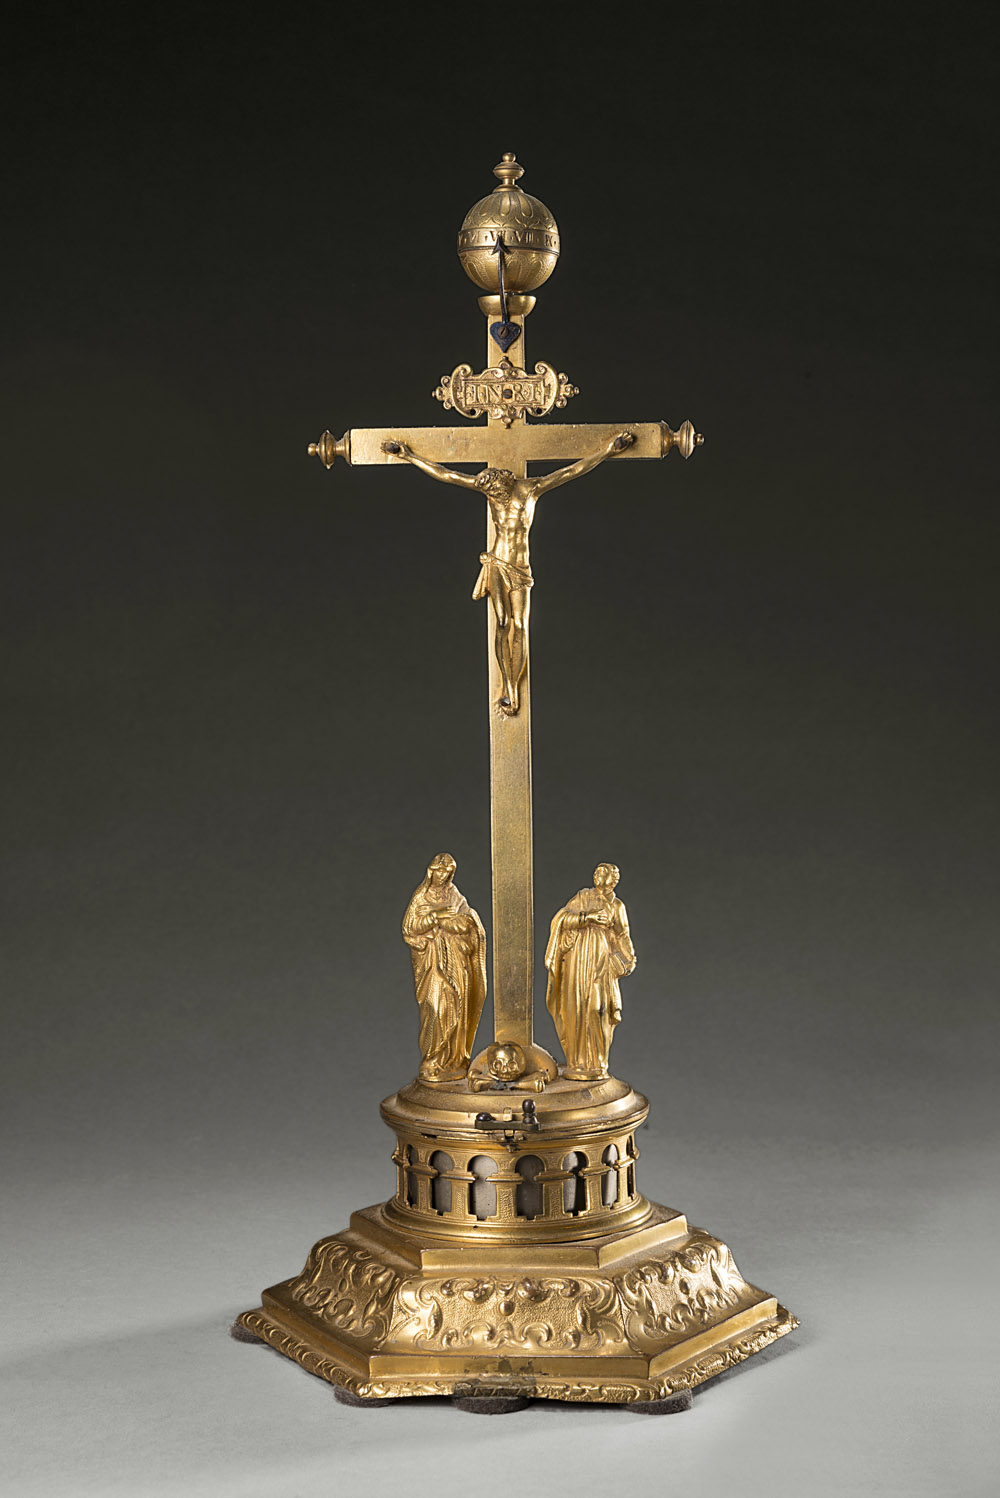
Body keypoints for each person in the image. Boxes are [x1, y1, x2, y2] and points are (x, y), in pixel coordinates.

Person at [382, 432, 634, 714]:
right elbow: (447, 475)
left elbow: (571, 471)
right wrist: (408, 456)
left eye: (498, 494)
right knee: (502, 622)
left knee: (521, 625)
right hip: (497, 564)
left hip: (520, 568)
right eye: (492, 496)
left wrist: (608, 451)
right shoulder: (489, 490)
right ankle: (508, 686)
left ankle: (514, 682)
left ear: (506, 484)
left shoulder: (531, 489)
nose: (495, 500)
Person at [544, 864, 635, 1081]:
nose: (597, 875)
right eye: (596, 872)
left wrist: (629, 959)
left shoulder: (617, 906)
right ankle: (576, 1062)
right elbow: (561, 919)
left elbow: (622, 935)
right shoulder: (582, 897)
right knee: (575, 1009)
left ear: (614, 880)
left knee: (598, 1010)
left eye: (603, 873)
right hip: (577, 963)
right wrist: (587, 918)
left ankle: (598, 1063)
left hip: (601, 965)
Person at [402, 853, 486, 1082]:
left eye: (449, 872)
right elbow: (410, 927)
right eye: (441, 871)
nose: (445, 876)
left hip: (456, 963)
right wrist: (436, 917)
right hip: (433, 965)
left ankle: (455, 1060)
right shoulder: (422, 897)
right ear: (431, 871)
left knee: (458, 1007)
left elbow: (468, 917)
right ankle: (432, 1059)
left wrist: (464, 924)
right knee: (436, 1009)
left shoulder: (453, 894)